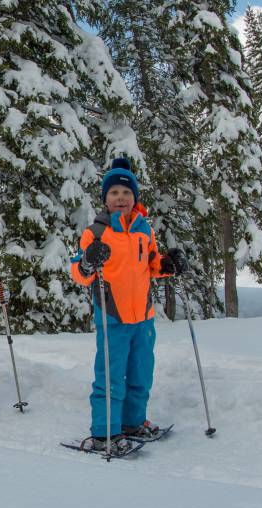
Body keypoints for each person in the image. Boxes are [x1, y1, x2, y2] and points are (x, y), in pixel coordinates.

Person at [70, 157, 186, 454]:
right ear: (105, 199)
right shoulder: (96, 232)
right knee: (110, 376)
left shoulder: (143, 229)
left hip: (143, 318)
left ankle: (133, 422)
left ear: (134, 198)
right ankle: (105, 432)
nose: (120, 198)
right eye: (114, 194)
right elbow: (79, 272)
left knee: (141, 373)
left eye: (126, 193)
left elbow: (151, 263)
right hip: (113, 318)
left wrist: (168, 265)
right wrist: (87, 262)